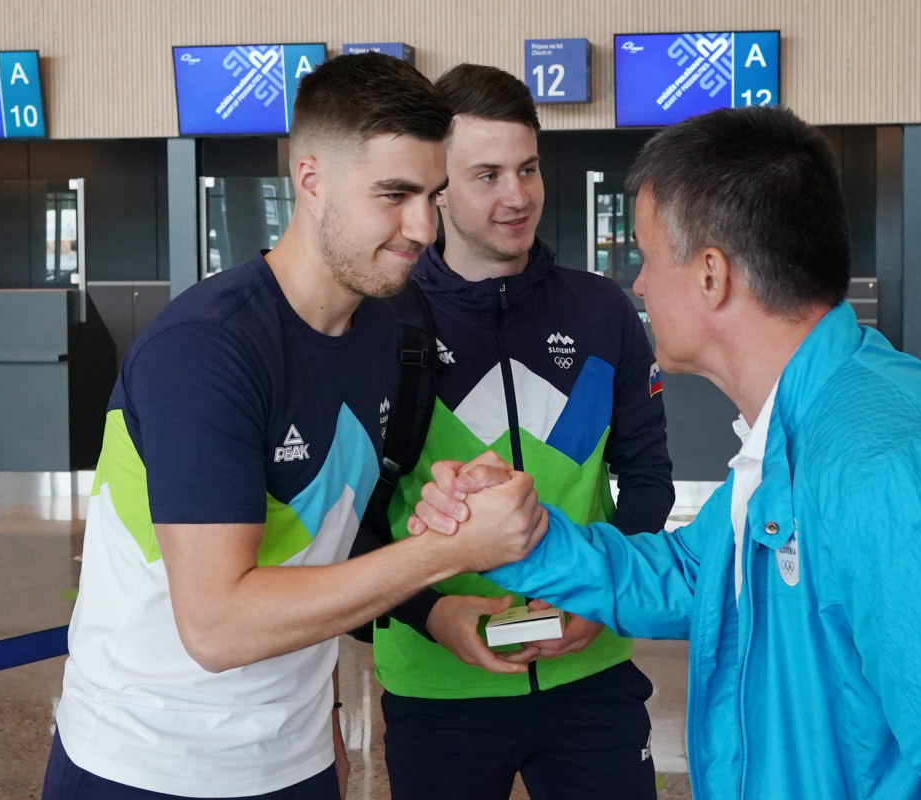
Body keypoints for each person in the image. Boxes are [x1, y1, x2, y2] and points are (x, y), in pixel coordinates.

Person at [411, 106, 921, 799]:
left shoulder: (888, 466)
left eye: (648, 256)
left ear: (711, 275)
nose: (639, 285)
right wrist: (520, 533)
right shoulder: (806, 422)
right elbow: (692, 575)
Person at [43, 53, 546, 800]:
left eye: (432, 195)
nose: (421, 227)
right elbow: (217, 626)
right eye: (394, 194)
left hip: (295, 758)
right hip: (143, 765)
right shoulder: (205, 349)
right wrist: (447, 553)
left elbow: (328, 542)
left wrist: (330, 722)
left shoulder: (386, 331)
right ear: (310, 180)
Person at [368, 64, 674, 800]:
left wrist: (602, 592)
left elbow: (648, 478)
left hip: (589, 675)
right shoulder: (381, 324)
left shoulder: (601, 311)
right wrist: (433, 615)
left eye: (528, 169)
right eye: (488, 175)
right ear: (438, 188)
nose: (518, 195)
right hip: (437, 685)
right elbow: (356, 520)